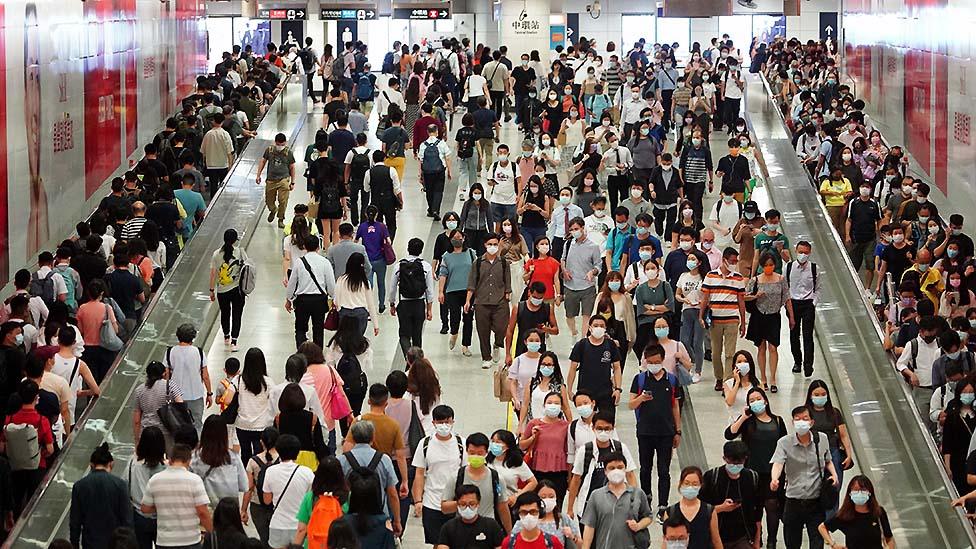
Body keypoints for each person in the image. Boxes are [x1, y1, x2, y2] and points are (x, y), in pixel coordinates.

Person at [725, 387, 787, 549]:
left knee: (772, 505)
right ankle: (754, 538)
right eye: (751, 401)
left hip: (773, 472)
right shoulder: (747, 422)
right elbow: (729, 434)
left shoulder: (778, 421)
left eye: (758, 399)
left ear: (765, 400)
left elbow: (785, 447)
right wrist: (743, 418)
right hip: (752, 473)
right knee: (754, 508)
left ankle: (771, 541)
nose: (756, 403)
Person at [770, 406, 839, 549]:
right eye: (797, 419)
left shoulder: (822, 439)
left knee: (817, 543)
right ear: (793, 422)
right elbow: (778, 463)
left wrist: (834, 474)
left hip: (816, 501)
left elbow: (827, 460)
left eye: (805, 418)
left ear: (812, 422)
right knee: (792, 542)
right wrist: (774, 479)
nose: (801, 422)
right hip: (793, 501)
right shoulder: (784, 442)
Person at [629, 344, 681, 518]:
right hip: (645, 432)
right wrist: (641, 398)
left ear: (662, 360)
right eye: (650, 362)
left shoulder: (672, 380)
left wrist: (678, 431)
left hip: (666, 432)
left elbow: (675, 407)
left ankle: (663, 505)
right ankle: (646, 501)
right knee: (645, 468)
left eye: (657, 362)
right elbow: (630, 405)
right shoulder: (640, 379)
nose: (654, 365)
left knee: (664, 470)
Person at [566, 410, 638, 520]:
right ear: (593, 428)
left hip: (617, 505)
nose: (603, 432)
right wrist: (570, 508)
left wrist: (634, 500)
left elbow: (630, 475)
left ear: (613, 429)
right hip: (589, 506)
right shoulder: (585, 451)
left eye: (607, 428)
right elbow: (576, 479)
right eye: (599, 428)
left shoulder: (621, 448)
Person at [411, 404, 466, 546]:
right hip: (431, 503)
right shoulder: (425, 444)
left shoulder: (461, 444)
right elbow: (419, 474)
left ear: (453, 422)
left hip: (455, 503)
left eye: (447, 422)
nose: (444, 425)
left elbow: (466, 472)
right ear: (433, 422)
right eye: (440, 422)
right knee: (437, 543)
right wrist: (418, 501)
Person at [140, 444, 213, 549]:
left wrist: (163, 505)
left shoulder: (155, 480)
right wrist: (212, 532)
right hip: (190, 540)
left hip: (165, 541)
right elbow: (202, 512)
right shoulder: (195, 480)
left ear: (169, 459)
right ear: (189, 460)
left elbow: (145, 508)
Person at [338, 420, 403, 536]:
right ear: (373, 437)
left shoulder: (342, 460)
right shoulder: (384, 460)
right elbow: (392, 493)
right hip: (380, 515)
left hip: (349, 516)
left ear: (353, 437)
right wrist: (397, 520)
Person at [579, 450, 653, 549]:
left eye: (620, 467)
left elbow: (648, 516)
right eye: (612, 468)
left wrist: (638, 525)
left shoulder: (638, 494)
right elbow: (589, 526)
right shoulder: (596, 495)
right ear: (605, 471)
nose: (616, 471)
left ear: (625, 469)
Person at [439, 432, 511, 531]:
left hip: (488, 529)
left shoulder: (497, 478)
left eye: (480, 453)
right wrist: (463, 504)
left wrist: (510, 534)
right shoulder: (456, 477)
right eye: (472, 453)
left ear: (486, 452)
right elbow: (444, 508)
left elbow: (502, 507)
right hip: (461, 529)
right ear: (467, 451)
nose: (476, 456)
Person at [805, 380, 855, 517]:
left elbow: (843, 435)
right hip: (812, 453)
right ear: (810, 395)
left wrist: (849, 455)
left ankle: (829, 522)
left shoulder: (834, 413)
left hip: (833, 452)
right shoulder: (806, 412)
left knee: (834, 487)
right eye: (816, 394)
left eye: (823, 394)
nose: (820, 397)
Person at [699, 440, 762, 549]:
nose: (735, 466)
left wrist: (757, 540)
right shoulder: (712, 477)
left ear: (745, 459)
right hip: (715, 536)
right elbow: (700, 510)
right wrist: (720, 508)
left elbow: (757, 513)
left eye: (739, 463)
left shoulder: (751, 478)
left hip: (743, 537)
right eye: (732, 462)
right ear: (724, 459)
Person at [700, 247, 746, 391]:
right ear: (724, 260)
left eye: (736, 261)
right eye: (732, 261)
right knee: (715, 352)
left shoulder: (738, 278)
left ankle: (728, 380)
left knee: (730, 353)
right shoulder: (711, 276)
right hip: (715, 320)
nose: (734, 263)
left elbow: (741, 301)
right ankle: (719, 377)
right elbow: (705, 298)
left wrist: (743, 322)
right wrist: (700, 315)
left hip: (732, 319)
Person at [746, 252, 793, 392]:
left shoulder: (780, 279)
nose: (768, 267)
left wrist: (791, 316)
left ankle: (773, 378)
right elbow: (744, 297)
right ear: (761, 266)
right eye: (766, 265)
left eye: (771, 265)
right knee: (761, 347)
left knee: (773, 347)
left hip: (774, 316)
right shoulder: (755, 280)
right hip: (759, 316)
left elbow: (787, 298)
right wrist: (755, 296)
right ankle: (763, 378)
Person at [70, 442, 131, 549]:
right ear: (111, 464)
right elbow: (127, 519)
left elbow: (75, 521)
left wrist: (74, 544)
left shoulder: (79, 486)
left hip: (90, 542)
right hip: (115, 543)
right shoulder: (120, 485)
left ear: (91, 465)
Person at [466, 233, 512, 369]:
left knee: (501, 328)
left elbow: (507, 282)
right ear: (485, 245)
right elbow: (472, 283)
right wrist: (468, 301)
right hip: (481, 302)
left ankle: (497, 344)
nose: (492, 247)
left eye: (495, 244)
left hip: (500, 301)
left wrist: (508, 294)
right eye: (490, 244)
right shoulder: (478, 262)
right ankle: (486, 357)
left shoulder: (504, 263)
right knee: (483, 331)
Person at [262, 434, 316, 548]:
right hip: (300, 526)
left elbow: (267, 500)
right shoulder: (307, 472)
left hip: (278, 524)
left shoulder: (270, 471)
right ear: (297, 452)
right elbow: (312, 500)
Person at [286, 235, 337, 349]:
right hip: (319, 300)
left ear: (304, 247)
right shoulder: (325, 262)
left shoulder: (299, 262)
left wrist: (289, 299)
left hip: (302, 300)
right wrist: (333, 298)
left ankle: (301, 352)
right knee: (318, 328)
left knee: (300, 328)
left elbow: (292, 283)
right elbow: (331, 283)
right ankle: (318, 354)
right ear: (318, 247)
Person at [519, 391, 571, 500]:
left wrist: (570, 476)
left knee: (557, 503)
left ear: (561, 407)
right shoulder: (534, 423)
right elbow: (522, 446)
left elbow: (569, 451)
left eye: (557, 403)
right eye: (550, 402)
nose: (553, 405)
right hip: (537, 471)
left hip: (559, 472)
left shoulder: (566, 426)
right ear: (544, 405)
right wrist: (532, 437)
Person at [567, 316, 623, 415]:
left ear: (605, 329)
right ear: (590, 328)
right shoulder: (581, 345)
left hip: (605, 393)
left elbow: (617, 368)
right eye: (596, 325)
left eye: (602, 326)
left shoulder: (610, 345)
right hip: (585, 393)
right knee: (587, 424)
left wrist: (618, 389)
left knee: (606, 423)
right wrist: (569, 390)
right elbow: (572, 368)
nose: (598, 328)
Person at [819, 475, 894, 549]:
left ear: (870, 492)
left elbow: (889, 538)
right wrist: (833, 544)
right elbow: (822, 527)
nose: (859, 493)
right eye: (856, 490)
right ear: (850, 493)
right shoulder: (845, 515)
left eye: (863, 490)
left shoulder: (878, 512)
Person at [390, 238, 435, 358]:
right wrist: (429, 309)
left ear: (408, 248)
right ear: (421, 250)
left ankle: (408, 356)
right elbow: (429, 290)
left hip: (404, 304)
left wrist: (392, 304)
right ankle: (416, 361)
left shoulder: (399, 266)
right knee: (417, 334)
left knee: (404, 335)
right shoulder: (426, 266)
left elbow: (392, 287)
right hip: (419, 304)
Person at [562, 217, 603, 340]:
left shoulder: (593, 246)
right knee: (569, 315)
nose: (574, 231)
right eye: (572, 230)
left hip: (587, 287)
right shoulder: (568, 244)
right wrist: (564, 270)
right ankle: (574, 334)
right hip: (570, 285)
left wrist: (592, 272)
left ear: (583, 228)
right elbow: (563, 259)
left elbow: (598, 265)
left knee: (587, 315)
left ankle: (583, 339)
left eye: (576, 229)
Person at [191, 415, 248, 504]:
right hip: (228, 509)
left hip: (205, 508)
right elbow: (244, 486)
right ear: (224, 434)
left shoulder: (195, 457)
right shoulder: (233, 458)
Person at [662, 466, 721, 549]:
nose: (690, 487)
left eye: (695, 484)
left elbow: (716, 540)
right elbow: (666, 540)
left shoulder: (709, 510)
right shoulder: (671, 511)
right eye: (686, 483)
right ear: (680, 483)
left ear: (700, 485)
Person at [786, 241, 821, 378]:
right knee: (794, 334)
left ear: (810, 253)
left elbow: (818, 288)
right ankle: (797, 361)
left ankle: (808, 364)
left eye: (806, 252)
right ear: (796, 251)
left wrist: (813, 303)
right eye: (800, 252)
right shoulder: (789, 267)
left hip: (808, 304)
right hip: (793, 304)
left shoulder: (814, 268)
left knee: (808, 335)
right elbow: (785, 286)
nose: (803, 255)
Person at [210, 229, 249, 352]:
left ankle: (226, 336)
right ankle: (234, 341)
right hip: (237, 290)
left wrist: (211, 290)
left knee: (225, 313)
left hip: (222, 291)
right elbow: (247, 268)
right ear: (234, 240)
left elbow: (213, 273)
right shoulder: (240, 253)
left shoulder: (216, 254)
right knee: (237, 315)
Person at [438, 230, 476, 356]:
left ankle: (465, 345)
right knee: (454, 316)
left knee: (468, 319)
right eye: (454, 238)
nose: (457, 240)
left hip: (468, 291)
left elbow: (476, 272)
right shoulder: (446, 256)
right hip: (452, 291)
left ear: (464, 238)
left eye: (459, 237)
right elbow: (443, 274)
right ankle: (454, 333)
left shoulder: (470, 253)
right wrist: (440, 292)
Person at [128, 426, 167, 549]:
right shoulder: (167, 467)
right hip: (162, 518)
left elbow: (126, 485)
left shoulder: (133, 464)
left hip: (139, 516)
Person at [235, 348, 274, 466]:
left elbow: (227, 398)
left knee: (245, 454)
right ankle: (259, 479)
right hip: (261, 425)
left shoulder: (238, 380)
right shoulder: (268, 382)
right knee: (260, 457)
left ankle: (247, 479)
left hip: (242, 424)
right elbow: (274, 402)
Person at [435, 484, 506, 549]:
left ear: (478, 504)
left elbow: (500, 547)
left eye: (472, 504)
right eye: (463, 504)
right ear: (457, 504)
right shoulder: (448, 527)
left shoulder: (491, 525)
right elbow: (442, 547)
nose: (467, 508)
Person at [241, 427, 280, 544]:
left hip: (258, 505)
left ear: (261, 442)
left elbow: (249, 488)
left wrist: (243, 510)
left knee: (264, 540)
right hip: (277, 504)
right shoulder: (283, 459)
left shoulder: (253, 461)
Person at [134, 361, 183, 448]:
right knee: (171, 459)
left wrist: (137, 440)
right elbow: (181, 406)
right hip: (167, 431)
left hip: (147, 432)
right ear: (164, 373)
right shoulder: (170, 386)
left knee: (150, 459)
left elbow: (137, 420)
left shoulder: (139, 390)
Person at [333, 252, 379, 338]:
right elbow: (370, 305)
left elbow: (336, 300)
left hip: (344, 313)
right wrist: (375, 324)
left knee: (346, 341)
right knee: (357, 341)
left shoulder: (341, 280)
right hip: (360, 314)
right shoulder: (365, 283)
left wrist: (340, 309)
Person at [257, 133, 297, 229]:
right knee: (269, 201)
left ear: (285, 143)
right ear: (275, 142)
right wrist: (258, 175)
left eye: (282, 144)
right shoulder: (269, 150)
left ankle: (281, 219)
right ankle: (273, 210)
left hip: (284, 179)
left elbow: (292, 167)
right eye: (278, 144)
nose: (280, 146)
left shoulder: (288, 153)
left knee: (283, 201)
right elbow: (263, 161)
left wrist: (292, 182)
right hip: (271, 180)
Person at [501, 492, 565, 549]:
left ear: (540, 512)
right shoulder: (508, 543)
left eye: (533, 511)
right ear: (518, 514)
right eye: (524, 512)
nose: (529, 516)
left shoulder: (553, 543)